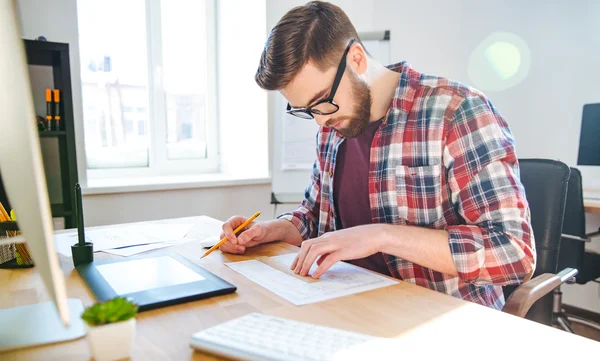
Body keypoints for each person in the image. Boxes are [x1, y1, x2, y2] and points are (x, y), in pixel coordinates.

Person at [220, 1, 536, 309]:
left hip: (439, 320)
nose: (319, 120)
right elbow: (316, 217)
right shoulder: (332, 127)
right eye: (306, 110)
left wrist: (382, 236)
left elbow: (514, 252)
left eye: (322, 101)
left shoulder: (457, 112)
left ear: (356, 58)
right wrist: (268, 232)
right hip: (348, 305)